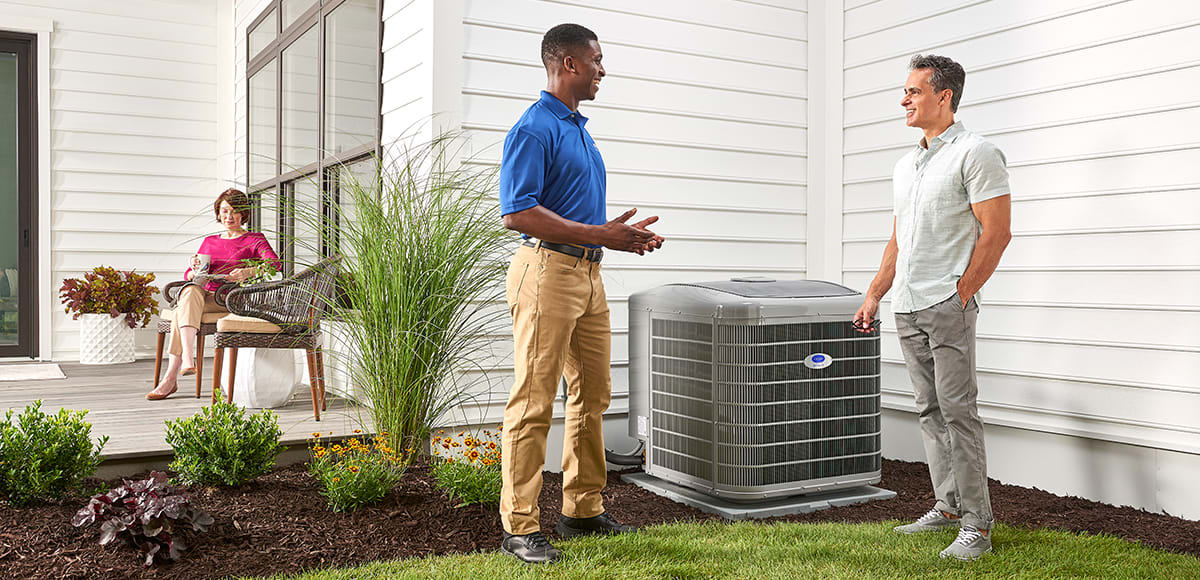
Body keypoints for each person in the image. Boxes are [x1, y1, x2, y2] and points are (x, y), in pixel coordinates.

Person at [497, 23, 664, 564]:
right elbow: (517, 212)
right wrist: (600, 235)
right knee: (534, 400)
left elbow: (578, 214)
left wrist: (623, 238)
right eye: (596, 59)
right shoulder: (534, 128)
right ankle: (520, 526)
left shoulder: (579, 130)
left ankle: (582, 510)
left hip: (587, 277)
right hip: (545, 274)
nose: (602, 69)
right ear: (568, 63)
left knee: (593, 396)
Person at [853, 54, 1012, 561]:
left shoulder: (977, 153)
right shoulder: (907, 164)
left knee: (958, 412)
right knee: (929, 410)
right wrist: (876, 292)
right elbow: (898, 240)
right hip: (908, 304)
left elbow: (998, 232)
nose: (904, 99)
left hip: (947, 305)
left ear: (943, 96)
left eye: (913, 91)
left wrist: (961, 292)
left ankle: (977, 527)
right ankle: (945, 506)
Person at [146, 188, 280, 400]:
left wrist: (247, 272)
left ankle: (171, 376)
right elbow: (191, 274)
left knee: (182, 309)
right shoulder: (210, 241)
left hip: (232, 299)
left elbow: (274, 264)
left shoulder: (255, 239)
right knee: (189, 291)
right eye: (225, 211)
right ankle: (188, 359)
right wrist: (194, 271)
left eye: (235, 211)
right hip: (206, 296)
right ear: (218, 212)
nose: (229, 216)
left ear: (243, 214)